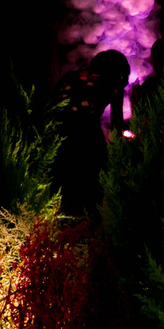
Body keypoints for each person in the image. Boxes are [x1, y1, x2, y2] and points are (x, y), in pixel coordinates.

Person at [53, 49, 129, 219]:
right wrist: (120, 155)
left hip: (61, 139)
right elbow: (117, 125)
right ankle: (88, 225)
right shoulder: (112, 84)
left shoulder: (70, 77)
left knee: (64, 192)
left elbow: (51, 104)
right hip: (89, 140)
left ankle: (66, 226)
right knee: (91, 191)